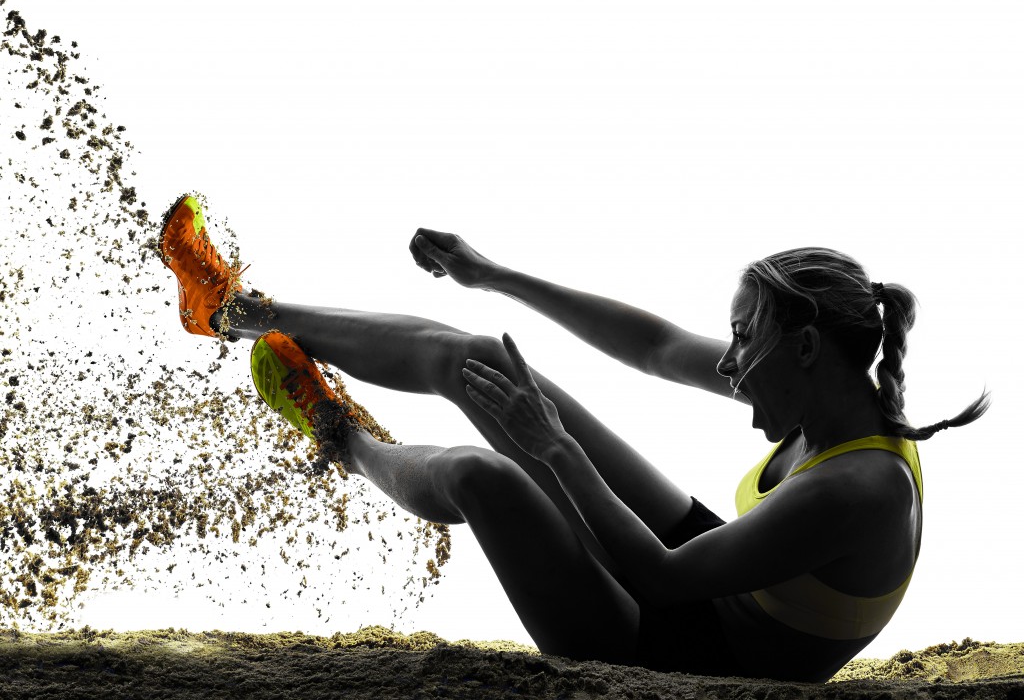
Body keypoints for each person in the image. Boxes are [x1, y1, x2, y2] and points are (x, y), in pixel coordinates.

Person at [159, 195, 989, 681]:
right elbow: (656, 347)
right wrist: (496, 277)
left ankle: (337, 431)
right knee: (483, 359)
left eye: (743, 339)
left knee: (488, 477)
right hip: (711, 567)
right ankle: (235, 311)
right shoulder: (826, 396)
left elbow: (661, 581)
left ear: (806, 349)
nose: (729, 362)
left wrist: (553, 450)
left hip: (687, 646)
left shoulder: (863, 489)